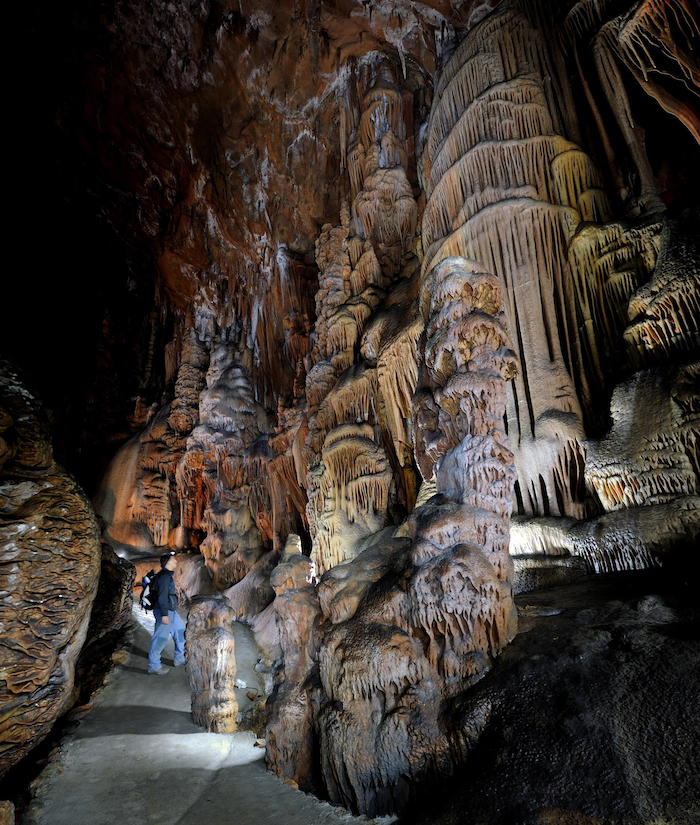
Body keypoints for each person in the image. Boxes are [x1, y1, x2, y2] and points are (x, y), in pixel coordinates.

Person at [147, 552, 186, 675]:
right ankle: (154, 665)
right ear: (167, 562)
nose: (176, 561)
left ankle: (180, 658)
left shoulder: (167, 576)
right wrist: (164, 614)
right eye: (173, 559)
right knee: (161, 638)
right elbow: (162, 597)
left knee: (180, 631)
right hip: (164, 611)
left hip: (171, 611)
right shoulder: (163, 577)